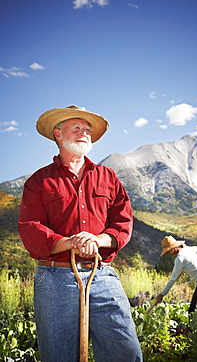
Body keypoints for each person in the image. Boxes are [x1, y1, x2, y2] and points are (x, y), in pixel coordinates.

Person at [18, 105, 143, 362]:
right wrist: (71, 243)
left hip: (103, 275)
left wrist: (96, 240)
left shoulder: (108, 177)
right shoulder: (39, 181)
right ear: (58, 134)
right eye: (77, 128)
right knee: (59, 356)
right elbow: (30, 227)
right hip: (55, 278)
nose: (84, 133)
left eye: (87, 129)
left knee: (126, 353)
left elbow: (123, 223)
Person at [156, 235, 197, 313]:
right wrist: (190, 262)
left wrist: (162, 294)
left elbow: (172, 279)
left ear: (174, 248)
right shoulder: (187, 249)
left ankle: (192, 325)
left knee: (194, 311)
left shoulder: (180, 259)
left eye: (168, 251)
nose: (167, 253)